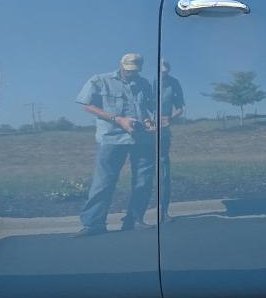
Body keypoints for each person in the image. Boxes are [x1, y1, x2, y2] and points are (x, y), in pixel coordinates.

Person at [74, 53, 157, 235]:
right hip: (112, 138)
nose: (131, 74)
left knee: (143, 181)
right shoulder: (100, 80)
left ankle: (134, 219)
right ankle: (94, 224)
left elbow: (149, 107)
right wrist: (118, 119)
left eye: (134, 71)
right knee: (104, 182)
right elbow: (87, 105)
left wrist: (150, 121)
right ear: (121, 65)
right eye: (128, 70)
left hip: (141, 138)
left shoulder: (144, 83)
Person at [158, 60, 185, 221]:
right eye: (161, 72)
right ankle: (135, 214)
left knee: (164, 172)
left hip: (164, 132)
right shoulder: (147, 82)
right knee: (143, 173)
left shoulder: (174, 83)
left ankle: (163, 212)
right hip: (143, 132)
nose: (163, 75)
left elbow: (180, 107)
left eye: (166, 72)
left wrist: (171, 118)